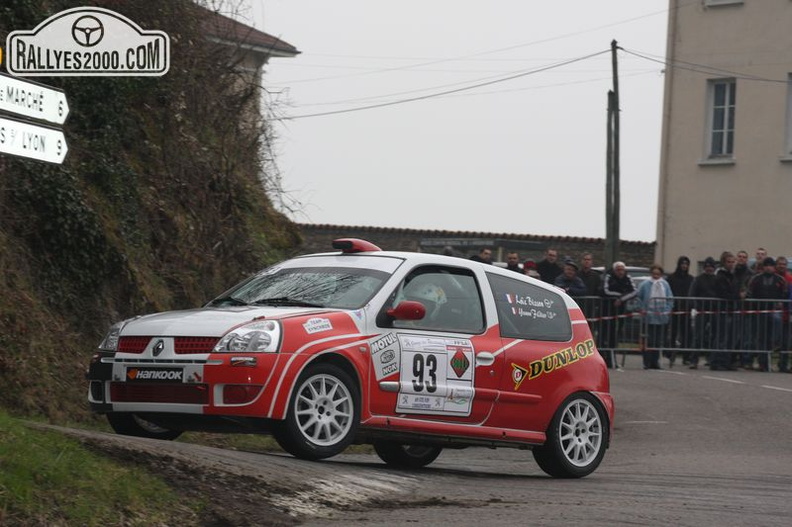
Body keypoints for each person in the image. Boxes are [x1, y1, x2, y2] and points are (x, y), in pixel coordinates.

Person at [745, 257, 788, 371]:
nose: (768, 267)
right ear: (763, 267)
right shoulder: (755, 279)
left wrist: (779, 303)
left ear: (774, 267)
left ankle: (773, 350)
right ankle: (762, 363)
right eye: (766, 265)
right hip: (759, 312)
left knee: (772, 336)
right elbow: (749, 293)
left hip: (774, 312)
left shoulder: (780, 280)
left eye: (771, 265)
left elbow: (784, 293)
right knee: (760, 338)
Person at [600, 261, 638, 368]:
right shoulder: (608, 277)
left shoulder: (628, 278)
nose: (621, 272)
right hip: (607, 310)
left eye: (622, 270)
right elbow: (605, 291)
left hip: (621, 311)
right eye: (618, 270)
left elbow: (634, 291)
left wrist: (621, 299)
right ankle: (603, 358)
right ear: (614, 270)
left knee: (616, 335)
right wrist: (618, 296)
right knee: (605, 335)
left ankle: (612, 359)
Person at [637, 265, 673, 369]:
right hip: (648, 317)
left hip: (661, 318)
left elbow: (670, 299)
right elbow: (639, 297)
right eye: (654, 273)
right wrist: (642, 309)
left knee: (658, 341)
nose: (656, 276)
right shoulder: (645, 284)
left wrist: (667, 310)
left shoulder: (665, 284)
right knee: (648, 340)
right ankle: (647, 361)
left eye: (658, 274)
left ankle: (655, 361)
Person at [688, 257, 719, 369]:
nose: (709, 269)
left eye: (711, 267)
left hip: (714, 310)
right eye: (707, 267)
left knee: (714, 336)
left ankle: (712, 359)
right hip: (701, 310)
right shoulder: (698, 279)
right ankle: (693, 359)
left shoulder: (717, 279)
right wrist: (696, 305)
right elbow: (692, 294)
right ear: (704, 267)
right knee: (698, 336)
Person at [712, 251, 741, 371]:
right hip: (723, 310)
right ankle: (716, 361)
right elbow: (724, 293)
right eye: (729, 262)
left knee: (730, 338)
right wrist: (738, 296)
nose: (731, 264)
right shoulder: (720, 276)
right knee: (721, 338)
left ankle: (726, 361)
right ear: (724, 263)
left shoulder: (732, 275)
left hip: (731, 309)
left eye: (733, 262)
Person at [666, 256, 694, 365]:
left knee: (687, 333)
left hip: (686, 309)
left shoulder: (690, 279)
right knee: (673, 332)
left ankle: (686, 356)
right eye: (682, 263)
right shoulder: (672, 278)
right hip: (675, 308)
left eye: (686, 264)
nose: (684, 266)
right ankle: (671, 354)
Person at [775, 256, 792, 372]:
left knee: (786, 341)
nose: (782, 266)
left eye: (784, 264)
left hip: (787, 315)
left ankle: (784, 364)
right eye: (780, 264)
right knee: (779, 340)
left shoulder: (789, 278)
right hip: (778, 314)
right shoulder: (774, 277)